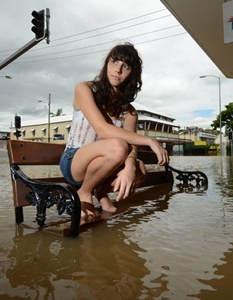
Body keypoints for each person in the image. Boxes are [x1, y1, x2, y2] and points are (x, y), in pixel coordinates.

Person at [60, 43, 169, 224]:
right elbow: (102, 129)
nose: (118, 70)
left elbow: (132, 146)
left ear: (132, 74)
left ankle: (100, 191)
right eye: (114, 62)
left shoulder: (129, 111)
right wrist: (150, 141)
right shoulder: (84, 89)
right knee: (118, 145)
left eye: (125, 66)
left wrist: (130, 167)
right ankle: (84, 192)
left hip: (105, 163)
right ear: (106, 64)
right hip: (74, 160)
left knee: (139, 169)